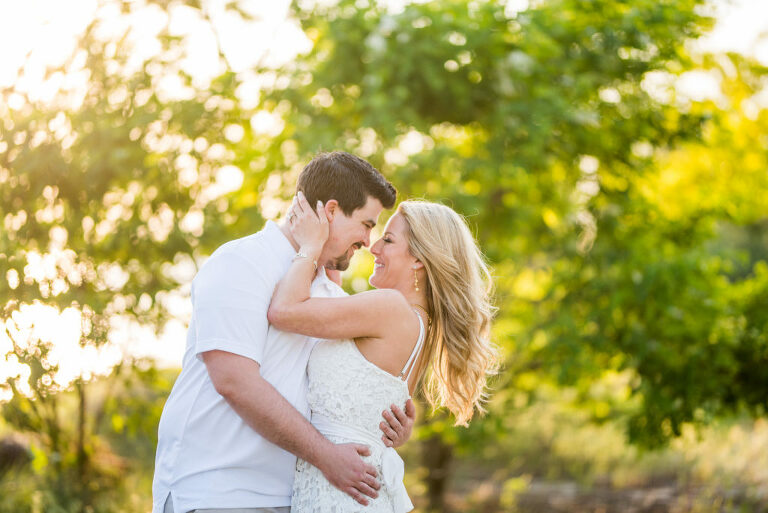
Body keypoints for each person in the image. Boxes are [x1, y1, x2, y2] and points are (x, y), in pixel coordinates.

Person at [152, 152, 417, 513]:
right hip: (218, 489)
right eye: (367, 224)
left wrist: (386, 423)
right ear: (332, 211)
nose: (368, 242)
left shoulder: (327, 292)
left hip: (291, 496)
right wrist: (326, 456)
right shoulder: (242, 262)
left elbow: (335, 390)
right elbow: (234, 380)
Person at [268, 195, 498, 512]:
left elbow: (284, 311)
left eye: (387, 240)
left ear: (419, 258)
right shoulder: (422, 326)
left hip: (342, 491)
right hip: (358, 487)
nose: (373, 247)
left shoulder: (387, 308)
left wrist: (310, 247)